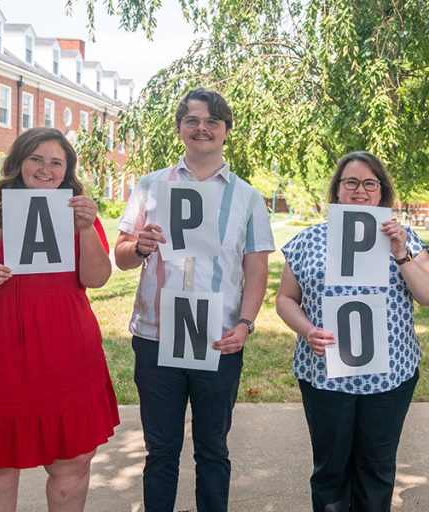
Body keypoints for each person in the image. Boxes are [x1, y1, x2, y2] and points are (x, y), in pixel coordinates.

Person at [0, 127, 120, 511]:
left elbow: (96, 279)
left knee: (73, 459)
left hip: (64, 352)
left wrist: (86, 230)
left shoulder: (77, 214)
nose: (46, 169)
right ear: (17, 163)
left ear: (67, 171)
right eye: (36, 159)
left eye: (56, 162)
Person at [114, 87, 274, 512]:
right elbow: (122, 257)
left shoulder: (247, 197)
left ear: (225, 132)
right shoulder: (150, 186)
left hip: (220, 338)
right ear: (180, 129)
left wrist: (246, 324)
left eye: (212, 122)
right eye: (192, 120)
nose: (202, 128)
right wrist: (141, 247)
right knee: (161, 451)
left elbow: (256, 268)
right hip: (156, 336)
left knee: (213, 450)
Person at [275, 151, 429, 511]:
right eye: (350, 182)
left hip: (388, 377)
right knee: (329, 470)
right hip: (325, 377)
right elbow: (285, 299)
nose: (360, 191)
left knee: (376, 468)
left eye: (370, 183)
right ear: (337, 191)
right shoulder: (308, 241)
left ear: (382, 192)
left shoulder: (405, 238)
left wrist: (401, 254)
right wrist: (307, 331)